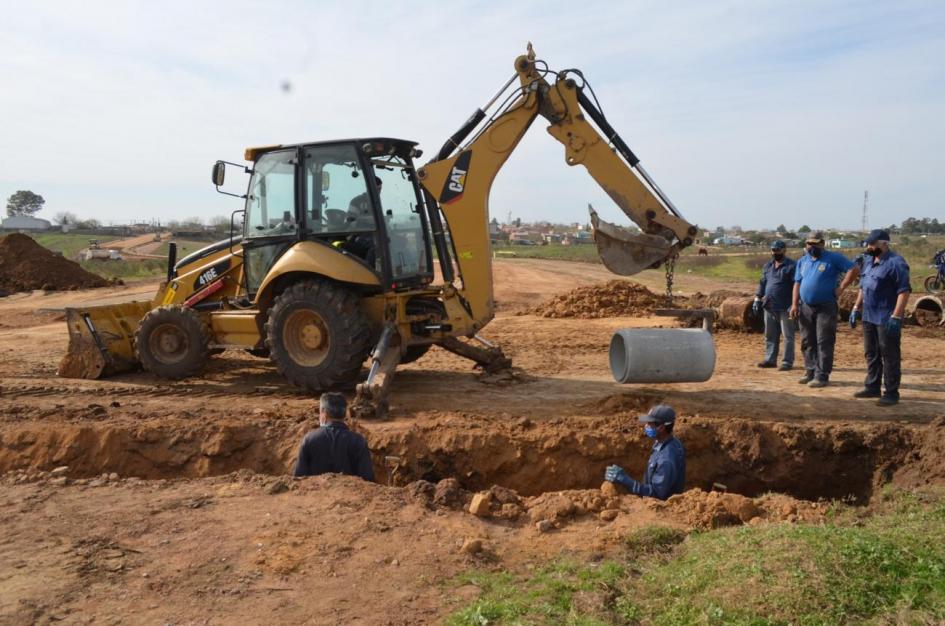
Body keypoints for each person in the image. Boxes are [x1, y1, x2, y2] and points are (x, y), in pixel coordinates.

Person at [849, 229, 911, 406]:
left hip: (886, 317)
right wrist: (856, 307)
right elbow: (863, 286)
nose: (868, 247)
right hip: (869, 315)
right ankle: (872, 386)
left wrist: (896, 317)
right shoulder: (868, 261)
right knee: (871, 353)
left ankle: (891, 392)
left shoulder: (895, 263)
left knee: (889, 354)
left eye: (871, 244)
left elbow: (904, 291)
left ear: (884, 244)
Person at [790, 231, 857, 387]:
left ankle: (822, 375)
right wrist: (794, 304)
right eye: (809, 244)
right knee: (807, 340)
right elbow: (797, 283)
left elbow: (853, 269)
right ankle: (810, 370)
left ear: (822, 244)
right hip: (805, 306)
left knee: (824, 340)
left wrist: (841, 288)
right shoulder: (803, 261)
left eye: (815, 243)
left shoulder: (833, 258)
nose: (812, 246)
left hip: (825, 306)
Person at [604, 405, 685, 500]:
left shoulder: (666, 460)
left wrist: (625, 480)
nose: (646, 426)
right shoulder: (669, 442)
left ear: (661, 428)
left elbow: (656, 495)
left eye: (650, 423)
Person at [293, 392, 375, 481]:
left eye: (320, 412)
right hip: (348, 494)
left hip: (316, 493)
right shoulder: (358, 441)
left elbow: (298, 478)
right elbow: (368, 479)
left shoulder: (309, 439)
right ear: (344, 414)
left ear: (324, 413)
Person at [753, 240, 796, 370]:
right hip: (769, 306)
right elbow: (762, 283)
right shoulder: (768, 266)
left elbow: (796, 285)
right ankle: (770, 359)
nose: (775, 252)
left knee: (788, 335)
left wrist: (795, 303)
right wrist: (757, 298)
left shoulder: (792, 266)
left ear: (784, 250)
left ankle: (787, 362)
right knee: (770, 335)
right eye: (773, 250)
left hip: (785, 306)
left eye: (778, 250)